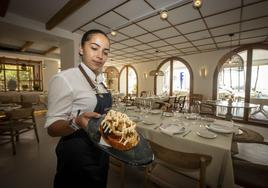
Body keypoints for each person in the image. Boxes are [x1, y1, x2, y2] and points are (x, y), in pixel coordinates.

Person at [45, 29, 112, 188]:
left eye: (105, 51)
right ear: (81, 49)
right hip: (77, 155)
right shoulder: (64, 79)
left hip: (102, 151)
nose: (100, 56)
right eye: (94, 48)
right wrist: (76, 122)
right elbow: (52, 129)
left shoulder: (100, 83)